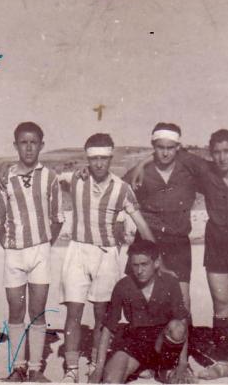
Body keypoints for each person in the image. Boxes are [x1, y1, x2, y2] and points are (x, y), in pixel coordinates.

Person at [125, 124, 228, 383]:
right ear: (210, 153)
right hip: (210, 242)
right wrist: (142, 163)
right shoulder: (204, 169)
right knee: (218, 305)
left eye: (227, 151)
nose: (222, 157)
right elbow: (159, 156)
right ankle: (220, 362)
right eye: (216, 152)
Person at [59, 133, 157, 383]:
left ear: (111, 158)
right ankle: (71, 369)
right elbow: (49, 178)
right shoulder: (74, 179)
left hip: (107, 255)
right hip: (78, 250)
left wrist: (157, 260)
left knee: (102, 314)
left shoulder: (122, 188)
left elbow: (142, 225)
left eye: (104, 158)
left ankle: (95, 362)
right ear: (87, 158)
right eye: (94, 159)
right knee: (74, 311)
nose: (99, 163)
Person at [0, 122, 64, 382]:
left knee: (37, 310)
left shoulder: (50, 177)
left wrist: (43, 244)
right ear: (16, 145)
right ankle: (18, 368)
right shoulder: (4, 179)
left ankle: (35, 369)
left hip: (40, 252)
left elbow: (58, 218)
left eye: (34, 142)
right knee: (15, 310)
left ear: (41, 145)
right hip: (14, 253)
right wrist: (10, 245)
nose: (29, 147)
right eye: (24, 142)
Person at [89, 240, 191, 384]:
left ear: (156, 263)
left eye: (144, 264)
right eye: (135, 265)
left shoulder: (170, 282)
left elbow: (182, 322)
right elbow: (108, 328)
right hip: (136, 342)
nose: (139, 270)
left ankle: (163, 368)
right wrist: (98, 369)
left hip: (162, 342)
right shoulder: (123, 286)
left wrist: (182, 364)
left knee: (177, 327)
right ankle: (142, 368)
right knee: (110, 381)